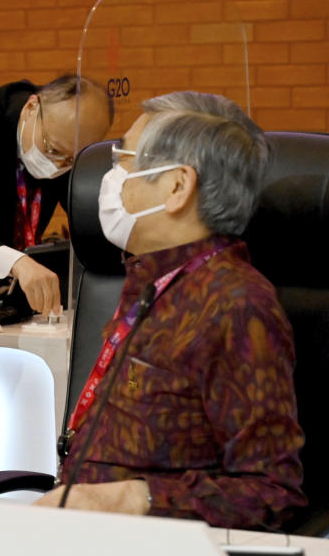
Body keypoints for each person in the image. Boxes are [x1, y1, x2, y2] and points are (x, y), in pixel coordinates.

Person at [35, 92, 306, 530]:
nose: (111, 176)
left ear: (178, 187)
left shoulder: (236, 305)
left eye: (125, 158)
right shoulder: (150, 280)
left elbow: (270, 493)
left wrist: (132, 498)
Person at [0, 76, 112, 317]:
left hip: (9, 299)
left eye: (73, 160)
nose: (59, 165)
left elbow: (89, 216)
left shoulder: (66, 139)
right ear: (31, 108)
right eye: (53, 150)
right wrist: (15, 262)